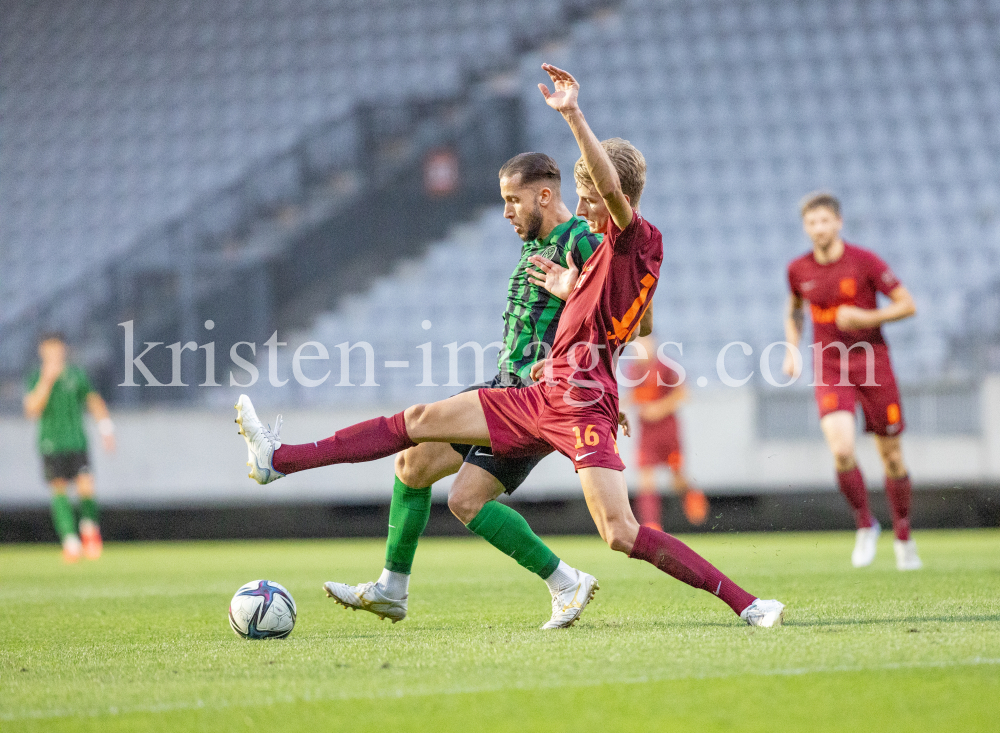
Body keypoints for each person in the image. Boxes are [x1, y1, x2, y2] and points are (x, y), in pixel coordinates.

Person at [236, 64, 784, 628]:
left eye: (589, 199)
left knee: (619, 532)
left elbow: (618, 224)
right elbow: (620, 319)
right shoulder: (597, 257)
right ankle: (281, 460)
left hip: (576, 403)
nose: (586, 210)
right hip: (536, 393)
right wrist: (576, 294)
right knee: (419, 431)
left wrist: (572, 115)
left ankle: (748, 603)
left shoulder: (628, 236)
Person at [323, 152, 605, 629]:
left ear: (544, 194)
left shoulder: (580, 239)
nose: (506, 212)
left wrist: (576, 301)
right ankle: (391, 588)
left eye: (512, 200)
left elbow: (628, 318)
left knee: (465, 500)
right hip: (503, 388)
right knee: (412, 465)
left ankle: (564, 580)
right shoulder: (538, 238)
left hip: (532, 404)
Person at [783, 192, 921, 571]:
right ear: (806, 227)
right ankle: (865, 524)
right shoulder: (798, 269)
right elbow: (794, 310)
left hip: (874, 365)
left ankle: (904, 536)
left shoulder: (864, 262)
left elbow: (907, 304)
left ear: (838, 223)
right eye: (812, 223)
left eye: (825, 221)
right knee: (842, 450)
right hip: (830, 367)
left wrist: (864, 318)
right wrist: (792, 349)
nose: (819, 229)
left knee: (891, 457)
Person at [23, 333, 115, 562]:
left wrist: (106, 429)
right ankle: (70, 542)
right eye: (48, 349)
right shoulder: (36, 376)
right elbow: (32, 410)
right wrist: (47, 381)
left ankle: (89, 530)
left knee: (86, 487)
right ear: (42, 351)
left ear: (63, 350)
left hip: (76, 441)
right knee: (59, 489)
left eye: (57, 349)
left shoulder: (76, 375)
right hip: (51, 443)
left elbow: (93, 401)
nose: (53, 353)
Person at [624, 335, 708, 529]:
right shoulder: (633, 370)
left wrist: (659, 409)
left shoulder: (666, 366)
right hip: (646, 433)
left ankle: (691, 493)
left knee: (676, 478)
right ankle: (652, 526)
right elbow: (637, 395)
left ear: (652, 343)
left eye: (643, 343)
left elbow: (683, 393)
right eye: (636, 345)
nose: (639, 348)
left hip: (668, 431)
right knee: (646, 478)